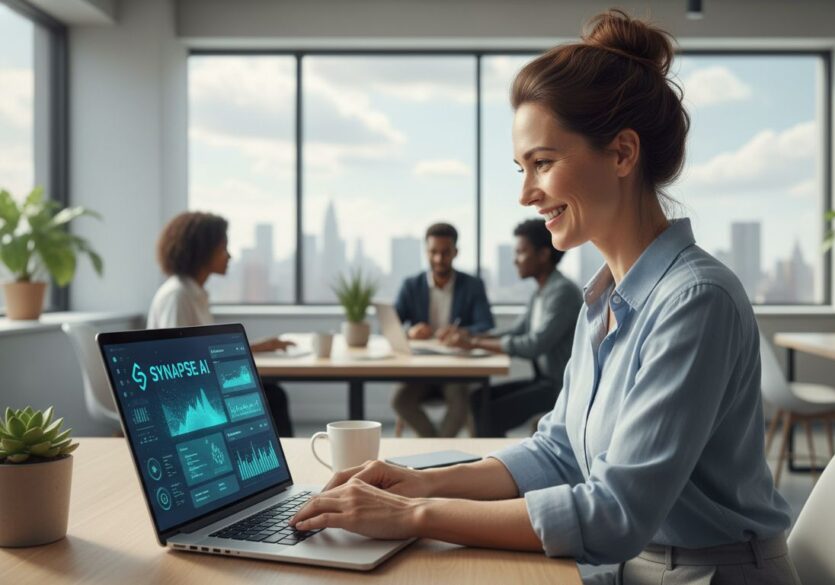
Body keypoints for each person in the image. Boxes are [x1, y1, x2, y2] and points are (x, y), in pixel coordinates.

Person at [289, 10, 799, 584]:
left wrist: (413, 515)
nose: (526, 192)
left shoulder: (694, 301)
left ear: (623, 154)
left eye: (543, 163)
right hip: (634, 566)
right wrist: (419, 480)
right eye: (521, 167)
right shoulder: (605, 300)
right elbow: (558, 452)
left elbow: (615, 513)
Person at [148, 211, 297, 437]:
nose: (229, 256)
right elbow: (176, 364)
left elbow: (201, 350)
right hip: (189, 400)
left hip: (201, 388)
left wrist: (257, 346)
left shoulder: (194, 293)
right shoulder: (177, 296)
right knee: (272, 396)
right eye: (223, 248)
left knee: (271, 393)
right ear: (202, 251)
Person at [443, 218, 581, 437]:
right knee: (478, 398)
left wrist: (474, 343)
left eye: (521, 252)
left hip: (559, 387)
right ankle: (487, 462)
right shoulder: (541, 292)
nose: (515, 260)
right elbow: (515, 332)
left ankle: (493, 467)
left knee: (491, 412)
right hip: (543, 381)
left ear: (544, 254)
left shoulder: (562, 293)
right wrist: (470, 334)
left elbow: (534, 345)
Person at [391, 222, 495, 437]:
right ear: (426, 252)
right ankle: (435, 446)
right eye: (433, 252)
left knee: (460, 405)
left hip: (455, 370)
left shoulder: (472, 285)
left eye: (445, 252)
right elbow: (391, 323)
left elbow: (485, 324)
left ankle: (435, 454)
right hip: (420, 369)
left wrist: (462, 333)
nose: (439, 259)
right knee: (400, 401)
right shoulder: (411, 285)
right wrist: (410, 332)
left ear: (455, 252)